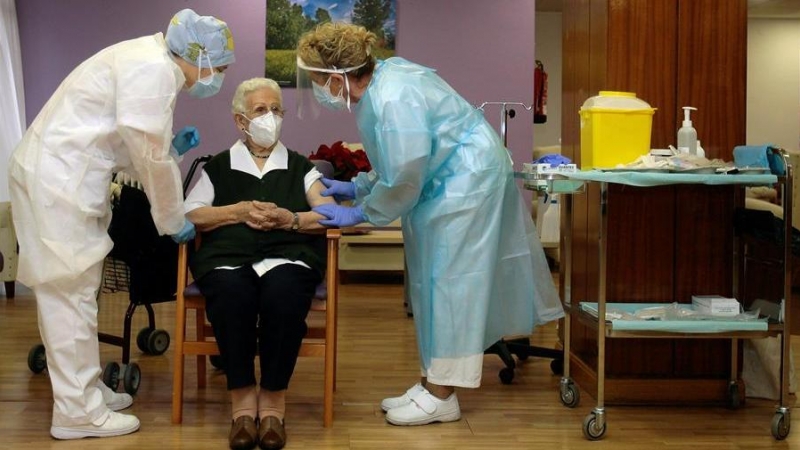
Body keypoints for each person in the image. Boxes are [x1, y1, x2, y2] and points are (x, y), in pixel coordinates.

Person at [296, 22, 564, 427]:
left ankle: (443, 395)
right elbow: (395, 161)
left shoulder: (392, 96)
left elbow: (405, 174)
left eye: (319, 80)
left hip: (465, 184)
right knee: (429, 281)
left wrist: (363, 211)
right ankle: (430, 383)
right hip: (446, 182)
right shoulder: (383, 84)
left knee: (451, 283)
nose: (318, 88)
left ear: (338, 77)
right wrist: (358, 186)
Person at [9, 8, 235, 440]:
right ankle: (78, 414)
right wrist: (173, 219)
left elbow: (132, 144)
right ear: (198, 56)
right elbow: (147, 157)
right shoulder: (153, 72)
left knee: (79, 294)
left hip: (61, 179)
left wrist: (169, 148)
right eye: (218, 68)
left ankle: (86, 390)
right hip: (58, 184)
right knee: (69, 295)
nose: (216, 78)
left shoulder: (145, 59)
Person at [184, 77, 335, 450]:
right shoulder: (218, 167)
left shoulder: (300, 166)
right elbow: (191, 214)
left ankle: (272, 405)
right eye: (260, 110)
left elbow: (330, 213)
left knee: (284, 295)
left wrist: (291, 219)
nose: (271, 117)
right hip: (229, 259)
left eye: (276, 110)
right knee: (231, 294)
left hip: (289, 256)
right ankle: (241, 405)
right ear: (240, 121)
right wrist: (234, 212)